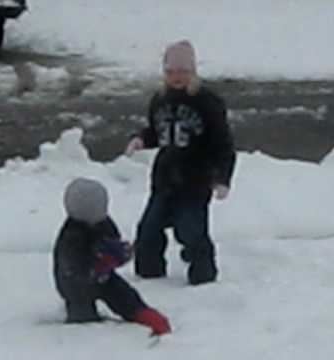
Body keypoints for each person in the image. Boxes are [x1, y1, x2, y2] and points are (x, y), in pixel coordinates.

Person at [125, 40, 236, 285]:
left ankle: (203, 277)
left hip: (195, 180)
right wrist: (141, 139)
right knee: (148, 230)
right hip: (164, 178)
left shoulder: (207, 102)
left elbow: (223, 144)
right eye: (171, 72)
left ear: (193, 71)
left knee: (191, 231)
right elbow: (158, 131)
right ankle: (149, 276)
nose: (176, 77)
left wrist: (222, 178)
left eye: (183, 71)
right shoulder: (160, 99)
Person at [53, 177, 171, 336]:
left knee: (122, 293)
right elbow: (73, 267)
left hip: (104, 276)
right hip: (74, 282)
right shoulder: (72, 235)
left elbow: (113, 242)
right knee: (81, 305)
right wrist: (99, 262)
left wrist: (120, 253)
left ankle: (141, 312)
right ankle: (84, 327)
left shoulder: (105, 223)